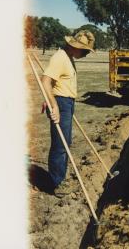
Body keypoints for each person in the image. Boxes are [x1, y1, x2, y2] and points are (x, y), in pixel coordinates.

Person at [41, 30, 95, 196]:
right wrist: (54, 105)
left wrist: (51, 99)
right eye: (85, 51)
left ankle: (60, 179)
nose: (85, 54)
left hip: (67, 102)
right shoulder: (60, 57)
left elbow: (55, 83)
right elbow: (45, 81)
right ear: (74, 46)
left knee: (65, 143)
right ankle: (55, 184)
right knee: (60, 144)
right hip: (61, 104)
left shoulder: (68, 58)